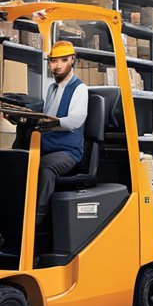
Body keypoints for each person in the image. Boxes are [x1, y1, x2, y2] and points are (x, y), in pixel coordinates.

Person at [36, 40, 88, 223]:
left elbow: (76, 120)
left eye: (63, 60)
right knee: (19, 161)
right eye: (53, 61)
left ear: (72, 60)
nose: (57, 66)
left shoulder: (80, 89)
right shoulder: (51, 88)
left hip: (68, 151)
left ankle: (38, 219)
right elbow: (46, 114)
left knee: (45, 167)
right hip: (48, 144)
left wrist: (51, 123)